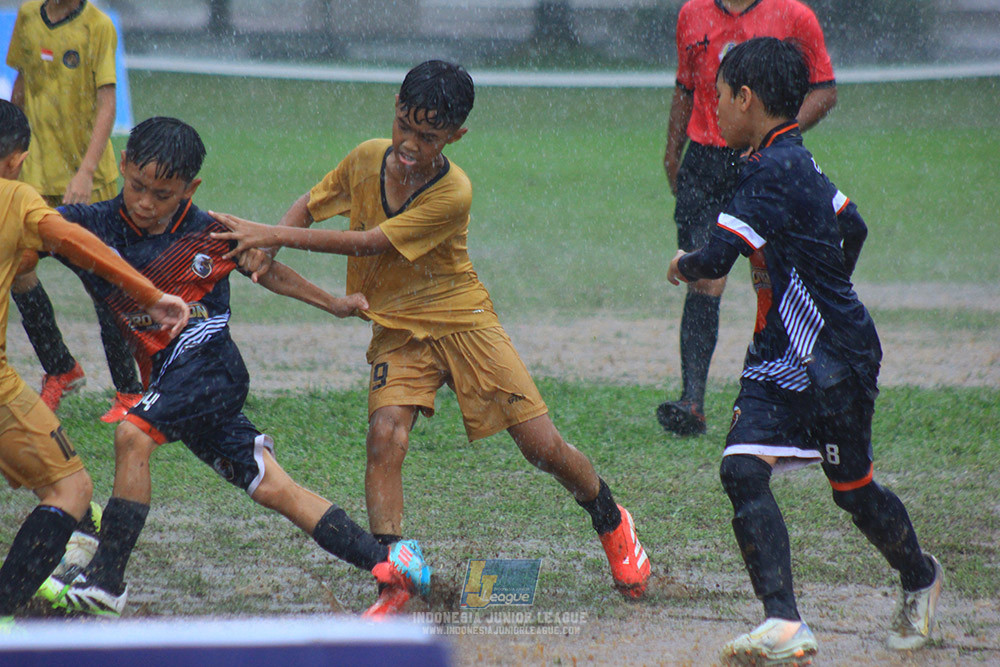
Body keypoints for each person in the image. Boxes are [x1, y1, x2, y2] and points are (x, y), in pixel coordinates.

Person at [209, 60, 651, 613]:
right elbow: (314, 200)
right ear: (395, 106)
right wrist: (268, 246)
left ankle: (611, 520)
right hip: (397, 328)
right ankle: (393, 577)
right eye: (405, 125)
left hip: (463, 320)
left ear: (455, 137)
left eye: (429, 136)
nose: (410, 144)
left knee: (542, 449)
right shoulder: (368, 157)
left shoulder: (454, 191)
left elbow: (370, 242)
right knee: (384, 437)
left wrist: (267, 232)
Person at [38, 117, 432, 618]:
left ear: (190, 188)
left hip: (211, 369)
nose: (145, 203)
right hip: (174, 381)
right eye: (137, 186)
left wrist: (332, 303)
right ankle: (391, 568)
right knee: (274, 487)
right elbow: (25, 230)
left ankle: (107, 581)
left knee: (132, 435)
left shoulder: (209, 231)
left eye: (163, 194)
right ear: (121, 165)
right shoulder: (85, 226)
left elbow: (267, 269)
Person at [666, 38, 942, 664]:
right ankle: (784, 622)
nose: (712, 110)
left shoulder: (769, 170)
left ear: (748, 99)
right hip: (780, 357)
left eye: (719, 97)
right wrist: (810, 285)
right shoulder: (797, 161)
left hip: (836, 359)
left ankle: (921, 577)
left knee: (854, 492)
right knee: (741, 469)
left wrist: (681, 264)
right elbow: (853, 226)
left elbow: (713, 259)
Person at [0, 100, 190, 624]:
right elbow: (75, 241)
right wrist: (149, 293)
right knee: (72, 488)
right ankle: (4, 613)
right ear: (17, 160)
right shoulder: (15, 197)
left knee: (51, 475)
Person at [659, 0, 838, 436]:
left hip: (762, 160)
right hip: (705, 161)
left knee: (781, 275)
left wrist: (774, 136)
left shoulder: (794, 15)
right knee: (705, 276)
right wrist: (672, 149)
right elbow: (685, 87)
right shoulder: (691, 13)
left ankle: (805, 383)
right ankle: (693, 401)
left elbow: (825, 89)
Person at [6, 0, 144, 421]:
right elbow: (22, 86)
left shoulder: (98, 26)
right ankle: (60, 367)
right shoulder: (29, 17)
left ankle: (129, 391)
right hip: (34, 177)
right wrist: (9, 155)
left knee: (103, 285)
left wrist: (84, 173)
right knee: (18, 270)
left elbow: (107, 104)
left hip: (88, 186)